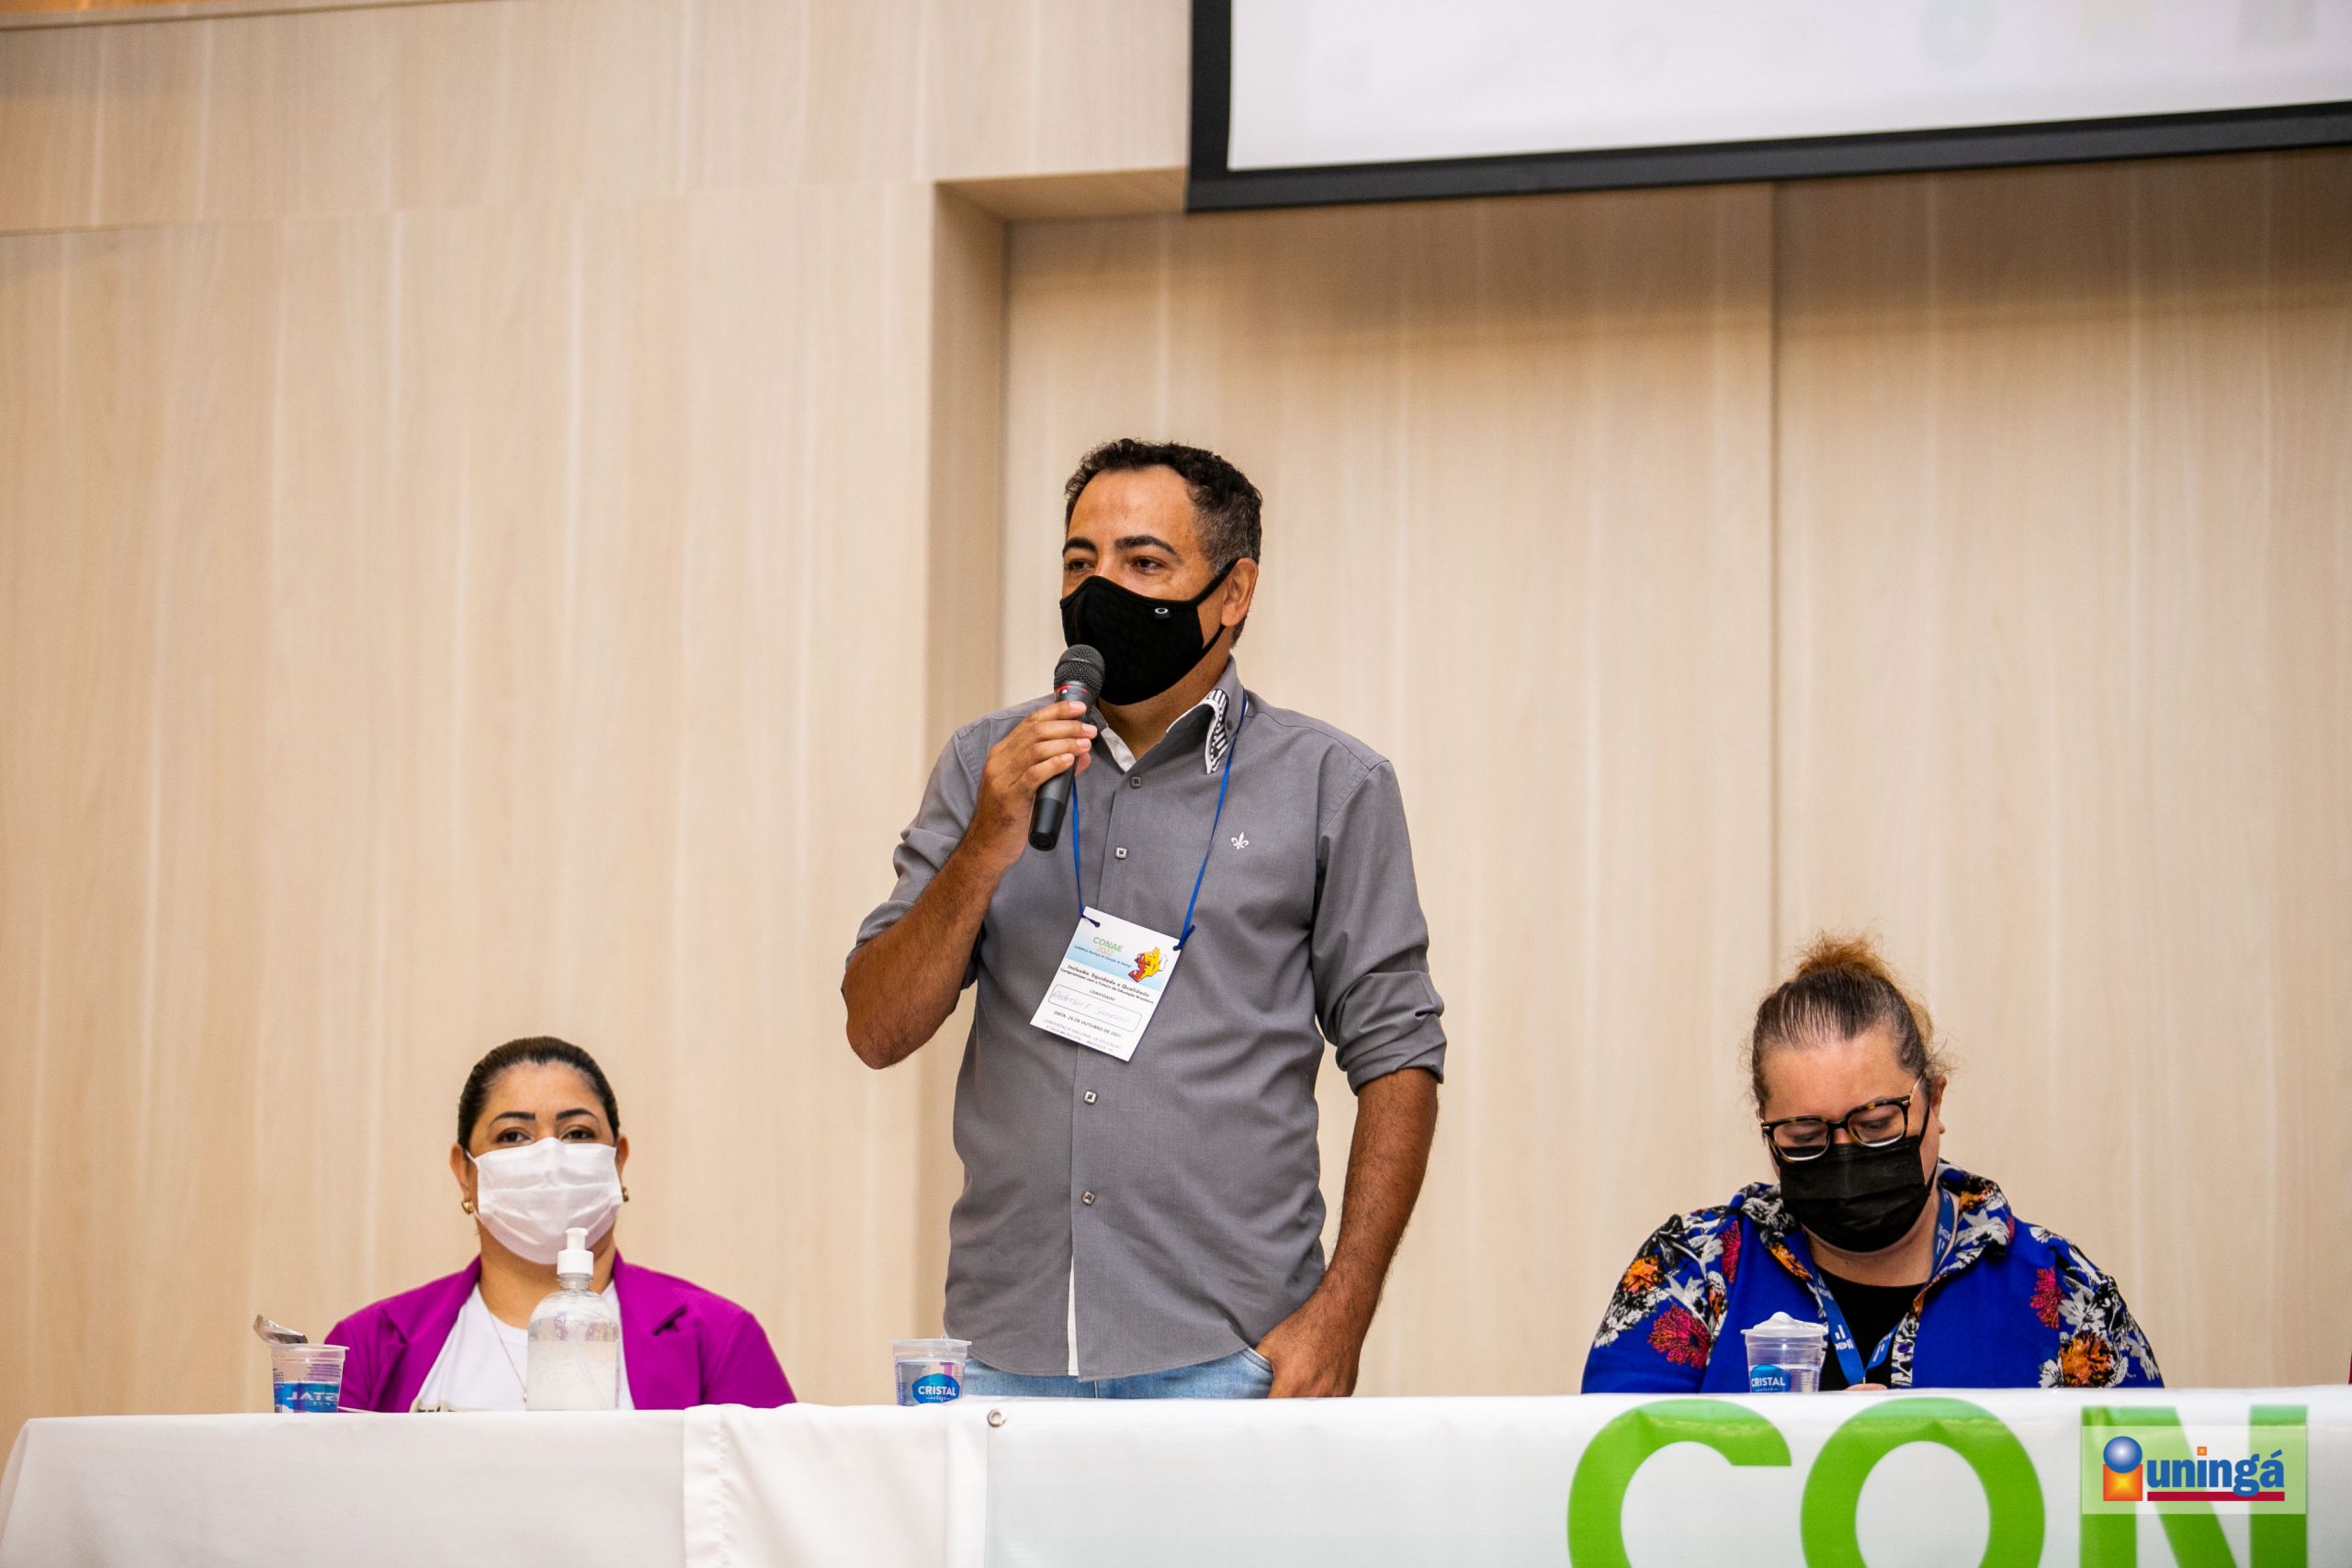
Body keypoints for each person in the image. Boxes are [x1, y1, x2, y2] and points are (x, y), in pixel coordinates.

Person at [844, 439, 1446, 1399]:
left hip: (1232, 1355)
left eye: (1144, 563)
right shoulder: (986, 764)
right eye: (1079, 562)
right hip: (1004, 1352)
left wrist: (1343, 1309)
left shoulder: (1331, 784)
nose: (1101, 590)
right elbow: (877, 1028)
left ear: (1233, 592)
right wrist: (985, 844)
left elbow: (1399, 1056)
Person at [1582, 937, 2161, 1393]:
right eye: (1805, 1135)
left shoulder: (2064, 1295)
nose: (1845, 1154)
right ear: (1767, 1129)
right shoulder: (1692, 1272)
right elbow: (1607, 1479)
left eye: (1878, 1124)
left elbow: (2145, 1493)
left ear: (1935, 1100)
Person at [329, 1037, 794, 1411]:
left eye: (578, 1134)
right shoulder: (367, 1348)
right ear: (465, 1172)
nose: (550, 1158)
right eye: (513, 1136)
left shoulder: (717, 1339)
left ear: (618, 1162)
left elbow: (772, 1494)